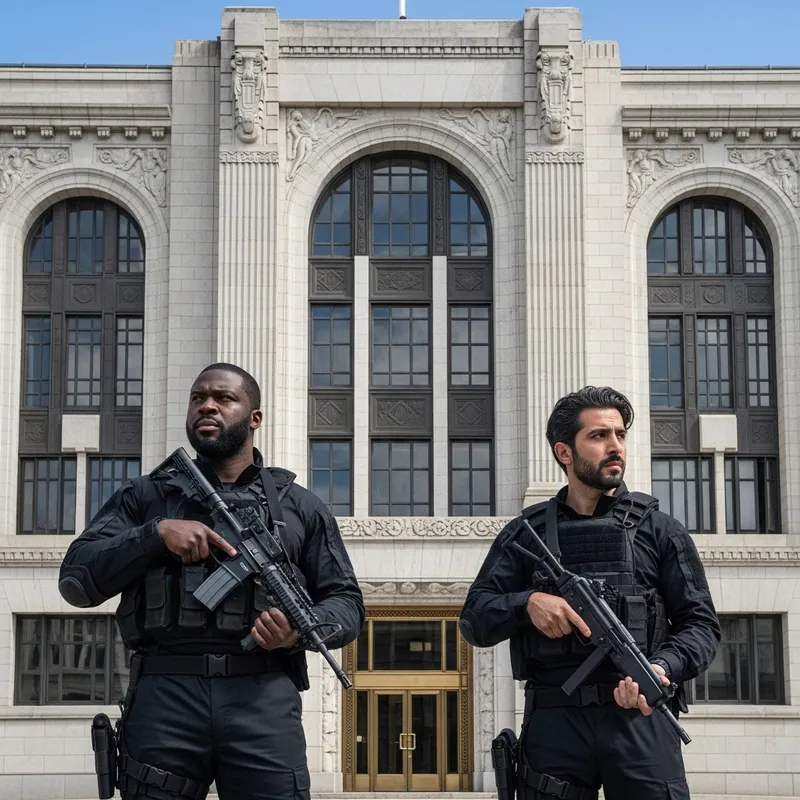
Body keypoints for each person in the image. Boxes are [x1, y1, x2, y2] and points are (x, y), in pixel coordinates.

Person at [58, 363, 365, 800]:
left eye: (224, 398)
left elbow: (347, 603)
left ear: (253, 417)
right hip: (165, 695)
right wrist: (155, 534)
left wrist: (299, 629)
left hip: (262, 696)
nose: (208, 406)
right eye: (199, 397)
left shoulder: (302, 508)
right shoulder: (145, 497)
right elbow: (76, 581)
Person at [459, 386, 720, 800]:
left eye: (620, 435)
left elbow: (701, 626)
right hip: (555, 719)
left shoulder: (660, 530)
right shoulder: (526, 534)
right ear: (565, 452)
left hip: (639, 715)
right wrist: (527, 604)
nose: (615, 446)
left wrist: (662, 667)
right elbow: (474, 619)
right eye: (599, 436)